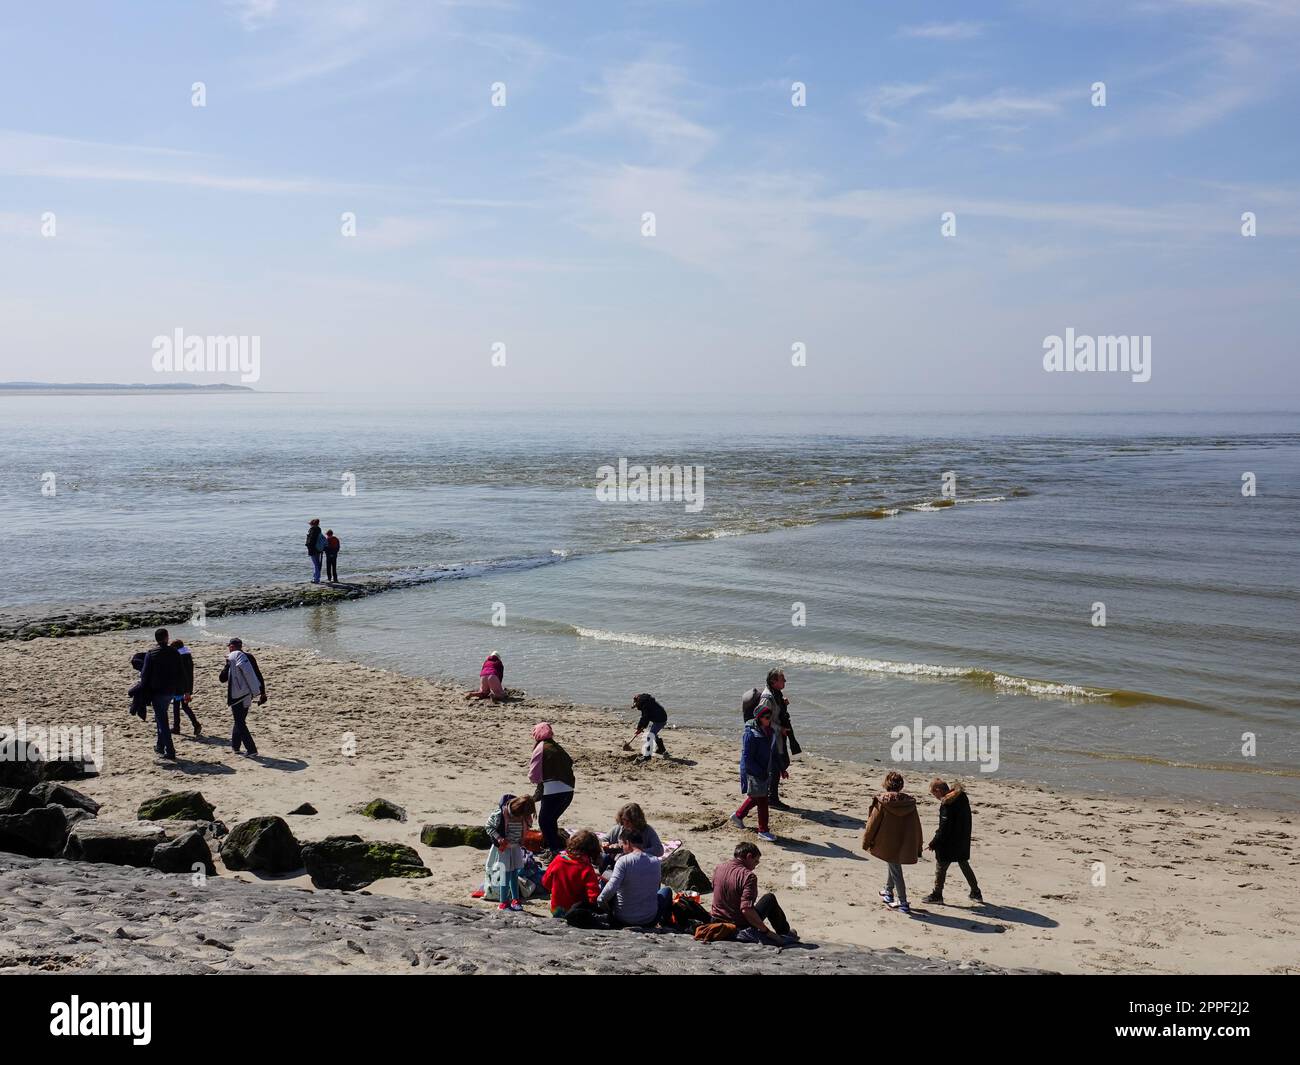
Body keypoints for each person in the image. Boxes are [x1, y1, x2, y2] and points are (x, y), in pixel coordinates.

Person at [862, 770, 924, 915]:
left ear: (886, 784)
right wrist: (918, 845)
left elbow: (872, 823)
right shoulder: (909, 803)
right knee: (893, 864)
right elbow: (917, 825)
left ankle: (903, 902)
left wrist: (866, 842)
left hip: (887, 842)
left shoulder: (882, 802)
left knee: (896, 870)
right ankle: (888, 891)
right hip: (904, 841)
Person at [711, 842, 798, 945]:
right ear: (749, 856)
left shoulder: (719, 868)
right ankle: (784, 933)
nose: (754, 867)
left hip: (715, 920)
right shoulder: (748, 876)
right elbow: (746, 910)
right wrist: (767, 932)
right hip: (738, 924)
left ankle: (785, 932)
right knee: (769, 899)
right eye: (755, 862)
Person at [922, 779, 983, 904]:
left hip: (949, 842)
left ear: (938, 790)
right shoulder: (961, 798)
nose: (936, 798)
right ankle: (976, 892)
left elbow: (944, 827)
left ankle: (937, 895)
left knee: (941, 867)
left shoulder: (947, 803)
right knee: (964, 864)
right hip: (962, 838)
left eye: (934, 794)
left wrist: (934, 842)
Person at [596, 828, 672, 929]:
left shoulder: (623, 861)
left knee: (607, 880)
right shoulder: (655, 861)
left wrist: (602, 903)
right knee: (666, 891)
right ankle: (666, 923)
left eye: (622, 845)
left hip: (623, 918)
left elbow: (611, 887)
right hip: (649, 919)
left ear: (628, 843)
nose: (622, 849)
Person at [729, 703, 777, 842]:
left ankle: (738, 816)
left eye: (770, 717)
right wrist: (758, 772)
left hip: (764, 769)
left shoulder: (769, 731)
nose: (769, 720)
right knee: (762, 799)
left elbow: (772, 752)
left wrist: (780, 768)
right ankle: (763, 830)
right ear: (759, 718)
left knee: (757, 796)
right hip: (753, 771)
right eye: (767, 717)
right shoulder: (751, 734)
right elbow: (747, 758)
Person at [529, 722, 575, 856]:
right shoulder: (557, 747)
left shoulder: (541, 748)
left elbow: (534, 774)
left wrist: (537, 786)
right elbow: (569, 762)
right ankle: (553, 847)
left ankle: (554, 849)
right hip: (568, 790)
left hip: (552, 791)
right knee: (551, 820)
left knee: (544, 821)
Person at [756, 668, 799, 810]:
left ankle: (769, 795)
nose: (785, 681)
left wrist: (782, 703)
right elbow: (761, 719)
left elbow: (774, 712)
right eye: (782, 679)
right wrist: (779, 729)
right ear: (774, 681)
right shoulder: (767, 698)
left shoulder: (776, 694)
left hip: (778, 736)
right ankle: (771, 797)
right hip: (771, 738)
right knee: (776, 766)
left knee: (782, 763)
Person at [137, 628, 183, 760]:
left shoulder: (151, 653)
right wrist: (183, 690)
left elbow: (145, 674)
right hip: (171, 691)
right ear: (167, 637)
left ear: (156, 639)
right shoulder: (174, 652)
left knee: (162, 720)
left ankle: (170, 750)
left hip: (157, 691)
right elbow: (181, 671)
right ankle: (159, 745)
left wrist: (142, 690)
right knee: (161, 717)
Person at [485, 794, 535, 912]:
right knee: (505, 875)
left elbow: (528, 825)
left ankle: (515, 900)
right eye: (519, 817)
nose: (520, 819)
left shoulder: (524, 814)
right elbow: (488, 827)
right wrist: (499, 838)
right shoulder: (500, 814)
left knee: (514, 874)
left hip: (516, 847)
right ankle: (503, 902)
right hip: (503, 848)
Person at [542, 829, 603, 919]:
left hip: (557, 908)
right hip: (576, 911)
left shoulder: (558, 860)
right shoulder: (586, 868)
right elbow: (593, 894)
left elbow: (546, 882)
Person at [219, 638, 265, 756]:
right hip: (249, 693)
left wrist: (227, 665)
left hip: (237, 694)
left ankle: (251, 749)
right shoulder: (249, 657)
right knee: (239, 719)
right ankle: (235, 746)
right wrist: (262, 692)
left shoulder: (232, 659)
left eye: (229, 646)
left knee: (239, 722)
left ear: (232, 647)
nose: (228, 648)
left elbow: (222, 678)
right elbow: (257, 674)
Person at [602, 802, 664, 870]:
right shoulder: (619, 828)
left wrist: (636, 852)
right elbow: (604, 839)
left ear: (636, 820)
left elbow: (659, 850)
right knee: (604, 858)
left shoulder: (647, 830)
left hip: (637, 864)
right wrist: (605, 844)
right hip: (618, 862)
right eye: (623, 819)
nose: (625, 823)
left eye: (628, 821)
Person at [169, 639, 201, 736]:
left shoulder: (180, 657)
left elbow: (181, 674)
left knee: (177, 706)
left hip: (180, 686)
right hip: (187, 686)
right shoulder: (187, 656)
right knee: (184, 706)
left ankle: (177, 727)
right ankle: (194, 724)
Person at [629, 693, 668, 760]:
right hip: (658, 717)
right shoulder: (646, 701)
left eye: (636, 704)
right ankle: (661, 749)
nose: (636, 706)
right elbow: (645, 718)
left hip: (660, 720)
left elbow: (645, 717)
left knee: (649, 736)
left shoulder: (645, 705)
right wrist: (641, 727)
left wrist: (639, 727)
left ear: (639, 701)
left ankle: (647, 756)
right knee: (653, 733)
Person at [305, 518, 326, 583]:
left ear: (312, 524)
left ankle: (316, 579)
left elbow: (311, 541)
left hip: (313, 549)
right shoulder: (319, 529)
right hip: (318, 548)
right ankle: (316, 577)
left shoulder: (312, 530)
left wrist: (307, 545)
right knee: (317, 563)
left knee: (316, 564)